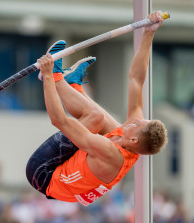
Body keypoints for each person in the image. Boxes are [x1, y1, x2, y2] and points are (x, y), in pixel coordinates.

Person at [26, 11, 168, 206]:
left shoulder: (110, 153)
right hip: (77, 168)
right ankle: (73, 86)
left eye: (136, 123)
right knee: (98, 118)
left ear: (134, 138)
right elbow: (136, 80)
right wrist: (149, 33)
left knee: (94, 118)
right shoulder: (131, 138)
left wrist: (48, 76)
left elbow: (59, 120)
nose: (134, 119)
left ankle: (59, 78)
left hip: (44, 174)